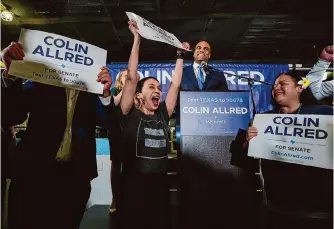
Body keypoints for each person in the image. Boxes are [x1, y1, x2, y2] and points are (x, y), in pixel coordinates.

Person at [1, 40, 113, 229]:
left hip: (74, 180)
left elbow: (107, 122)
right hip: (32, 176)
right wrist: (9, 77)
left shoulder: (93, 90)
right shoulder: (41, 81)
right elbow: (10, 115)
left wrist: (105, 94)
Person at [104, 20, 189, 229]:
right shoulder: (128, 113)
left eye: (159, 87)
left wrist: (180, 56)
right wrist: (137, 39)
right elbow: (132, 78)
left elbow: (175, 85)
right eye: (152, 86)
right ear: (139, 95)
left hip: (159, 187)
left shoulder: (162, 113)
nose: (158, 90)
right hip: (133, 187)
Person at [241, 71, 333, 229]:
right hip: (276, 207)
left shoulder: (324, 114)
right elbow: (243, 157)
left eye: (282, 83)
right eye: (274, 85)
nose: (276, 87)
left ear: (299, 88)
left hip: (316, 211)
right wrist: (247, 141)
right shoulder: (264, 119)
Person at [108, 68, 127, 214]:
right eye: (125, 76)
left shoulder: (136, 92)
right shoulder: (114, 91)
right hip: (116, 131)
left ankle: (127, 197)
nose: (128, 78)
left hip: (131, 132)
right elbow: (114, 103)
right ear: (120, 79)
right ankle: (115, 197)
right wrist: (127, 87)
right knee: (116, 163)